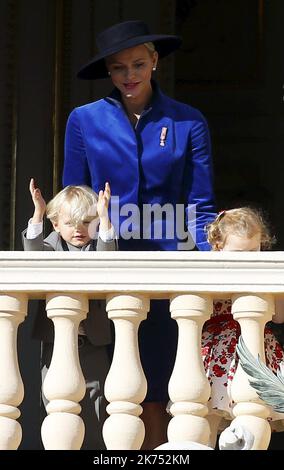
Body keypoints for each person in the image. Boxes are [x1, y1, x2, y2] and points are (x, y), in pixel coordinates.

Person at [63, 20, 216, 448]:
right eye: (117, 68)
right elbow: (73, 198)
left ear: (155, 63)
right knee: (113, 385)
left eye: (137, 64)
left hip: (172, 261)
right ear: (108, 73)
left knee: (169, 385)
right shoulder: (84, 120)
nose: (128, 75)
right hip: (108, 262)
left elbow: (201, 204)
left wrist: (210, 267)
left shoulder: (188, 121)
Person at [22, 178, 117, 449]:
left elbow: (109, 255)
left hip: (92, 342)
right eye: (70, 223)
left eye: (87, 222)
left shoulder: (99, 244)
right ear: (55, 225)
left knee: (96, 399)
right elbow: (32, 255)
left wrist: (104, 217)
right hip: (56, 343)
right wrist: (39, 213)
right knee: (54, 401)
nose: (79, 229)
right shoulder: (50, 246)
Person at [202, 207, 284, 447]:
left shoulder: (264, 271)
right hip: (220, 348)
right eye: (238, 253)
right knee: (209, 412)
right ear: (219, 247)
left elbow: (279, 317)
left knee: (253, 417)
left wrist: (273, 281)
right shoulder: (208, 270)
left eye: (253, 252)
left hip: (257, 345)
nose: (247, 260)